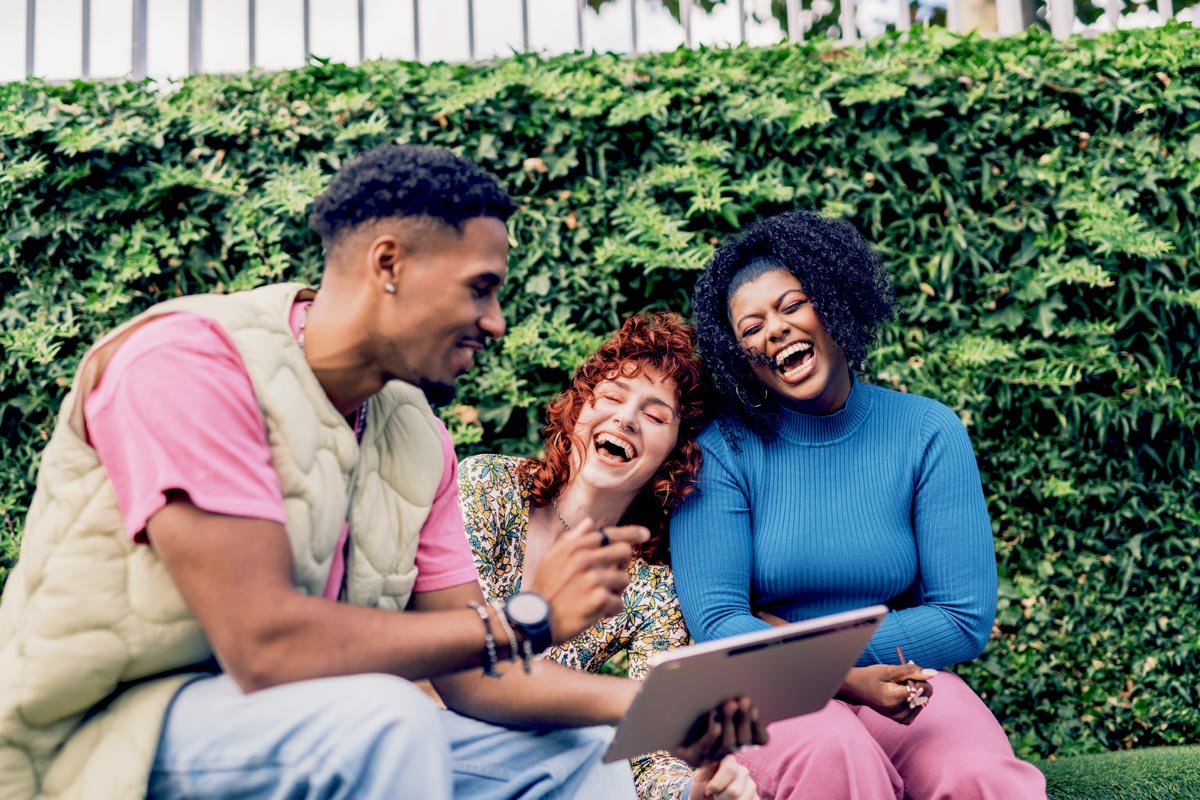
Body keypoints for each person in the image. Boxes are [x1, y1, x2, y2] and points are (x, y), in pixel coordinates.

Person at [0, 144, 752, 800]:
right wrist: (528, 618)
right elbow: (264, 643)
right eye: (480, 287)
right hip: (100, 732)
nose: (495, 321)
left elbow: (471, 672)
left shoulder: (414, 436)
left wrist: (647, 707)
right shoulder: (192, 364)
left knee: (577, 759)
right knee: (386, 721)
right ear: (388, 263)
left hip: (298, 722)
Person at [671, 210, 1048, 800]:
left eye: (792, 305)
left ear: (835, 300)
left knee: (982, 777)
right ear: (740, 356)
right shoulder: (722, 454)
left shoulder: (927, 432)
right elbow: (719, 625)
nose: (774, 330)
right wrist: (843, 676)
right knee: (835, 756)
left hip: (900, 677)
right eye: (751, 328)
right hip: (765, 688)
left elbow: (961, 618)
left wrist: (798, 638)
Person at [459, 312, 762, 800]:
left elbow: (651, 754)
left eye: (655, 414)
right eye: (614, 397)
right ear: (580, 408)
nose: (626, 418)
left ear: (676, 452)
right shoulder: (489, 485)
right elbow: (455, 651)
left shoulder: (652, 588)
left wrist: (692, 792)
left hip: (528, 766)